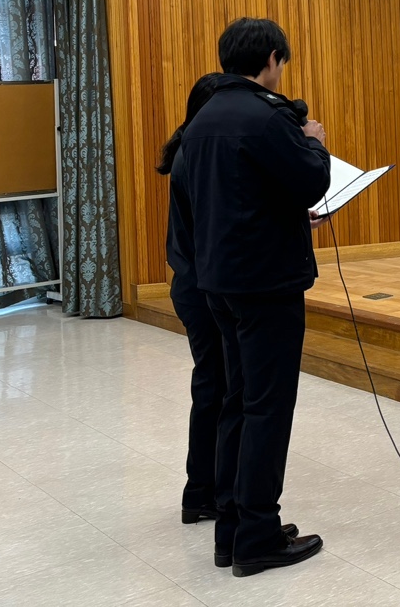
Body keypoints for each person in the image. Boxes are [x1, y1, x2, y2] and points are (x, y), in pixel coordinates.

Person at [171, 18, 331, 577]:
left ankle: (232, 531)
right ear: (271, 59)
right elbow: (310, 182)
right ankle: (258, 535)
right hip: (267, 284)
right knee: (267, 407)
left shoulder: (203, 118)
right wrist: (314, 143)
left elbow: (234, 197)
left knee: (237, 403)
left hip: (217, 282)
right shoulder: (267, 116)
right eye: (281, 61)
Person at [155, 73, 226, 526]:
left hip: (192, 284)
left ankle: (202, 490)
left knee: (212, 387)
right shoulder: (197, 158)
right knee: (216, 389)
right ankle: (204, 491)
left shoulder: (189, 150)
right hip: (203, 288)